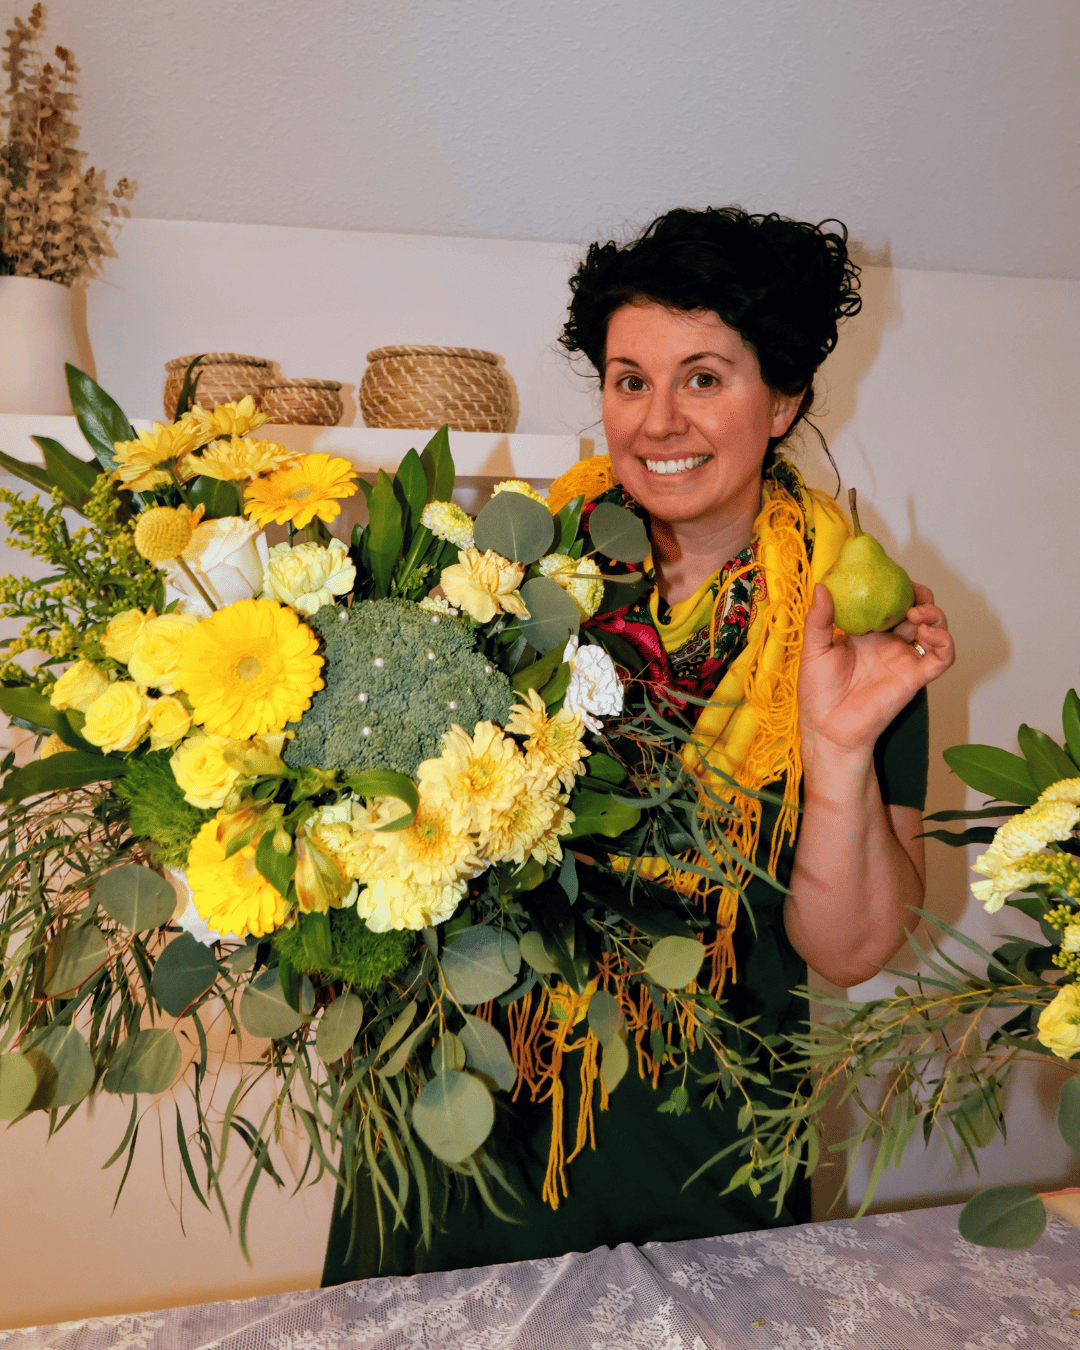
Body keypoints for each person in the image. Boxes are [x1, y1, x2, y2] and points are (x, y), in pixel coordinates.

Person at [322, 205, 954, 1283]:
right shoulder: (496, 577)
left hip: (705, 1149)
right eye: (630, 379)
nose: (659, 421)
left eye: (704, 378)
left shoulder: (855, 633)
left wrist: (837, 746)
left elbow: (850, 951)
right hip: (459, 1132)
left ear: (785, 398)